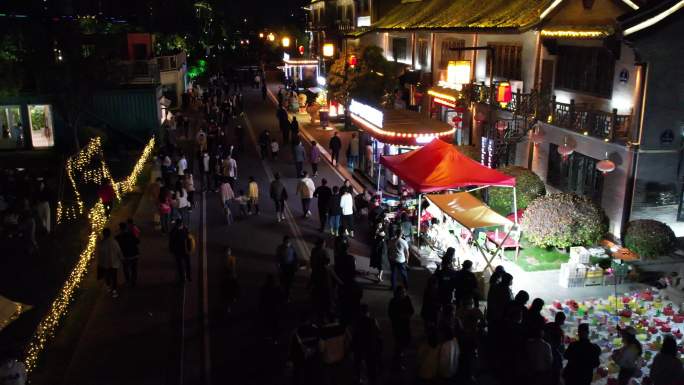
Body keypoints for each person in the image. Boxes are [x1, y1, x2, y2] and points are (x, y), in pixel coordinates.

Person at [352, 304, 382, 385]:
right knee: (371, 367)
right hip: (371, 349)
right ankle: (372, 380)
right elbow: (379, 333)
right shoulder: (373, 321)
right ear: (368, 312)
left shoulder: (357, 323)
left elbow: (354, 337)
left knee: (360, 367)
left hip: (360, 349)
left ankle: (360, 379)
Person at [388, 286, 414, 370]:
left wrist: (407, 316)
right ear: (397, 293)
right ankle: (398, 361)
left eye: (404, 292)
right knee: (399, 343)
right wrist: (401, 317)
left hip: (405, 325)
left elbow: (411, 310)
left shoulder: (407, 299)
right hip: (398, 327)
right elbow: (391, 314)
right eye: (402, 292)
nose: (403, 294)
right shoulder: (393, 302)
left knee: (406, 340)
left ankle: (400, 353)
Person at [98, 228, 123, 298]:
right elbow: (119, 251)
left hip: (105, 264)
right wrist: (122, 258)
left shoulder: (102, 243)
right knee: (114, 277)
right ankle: (114, 290)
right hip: (114, 263)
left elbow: (100, 254)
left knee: (107, 276)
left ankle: (109, 287)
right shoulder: (114, 242)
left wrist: (100, 263)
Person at [259, 274, 285, 343]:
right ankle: (274, 338)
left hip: (268, 309)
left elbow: (261, 300)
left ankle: (268, 337)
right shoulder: (276, 289)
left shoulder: (264, 289)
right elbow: (281, 300)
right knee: (273, 324)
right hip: (273, 310)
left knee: (268, 323)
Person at [544, 312, 567, 385]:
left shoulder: (547, 325)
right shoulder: (560, 332)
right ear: (562, 320)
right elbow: (561, 348)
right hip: (553, 355)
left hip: (544, 352)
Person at [115, 222, 140, 287]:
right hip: (134, 254)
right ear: (126, 228)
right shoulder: (131, 234)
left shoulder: (117, 237)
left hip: (125, 256)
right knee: (134, 269)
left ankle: (128, 281)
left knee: (126, 269)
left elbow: (116, 247)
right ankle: (133, 281)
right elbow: (137, 241)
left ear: (120, 229)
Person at [276, 235, 298, 301]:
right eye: (287, 241)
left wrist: (296, 265)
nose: (288, 242)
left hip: (290, 268)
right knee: (283, 282)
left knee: (289, 283)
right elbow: (278, 258)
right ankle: (283, 295)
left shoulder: (292, 248)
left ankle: (287, 296)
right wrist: (279, 266)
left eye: (289, 241)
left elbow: (295, 257)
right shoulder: (280, 248)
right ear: (284, 241)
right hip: (284, 267)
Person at [225, 247, 240, 313]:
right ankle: (232, 300)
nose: (228, 252)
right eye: (227, 251)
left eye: (229, 251)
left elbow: (232, 267)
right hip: (230, 277)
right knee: (230, 291)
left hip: (231, 277)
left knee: (232, 289)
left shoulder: (231, 259)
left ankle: (234, 299)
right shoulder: (228, 259)